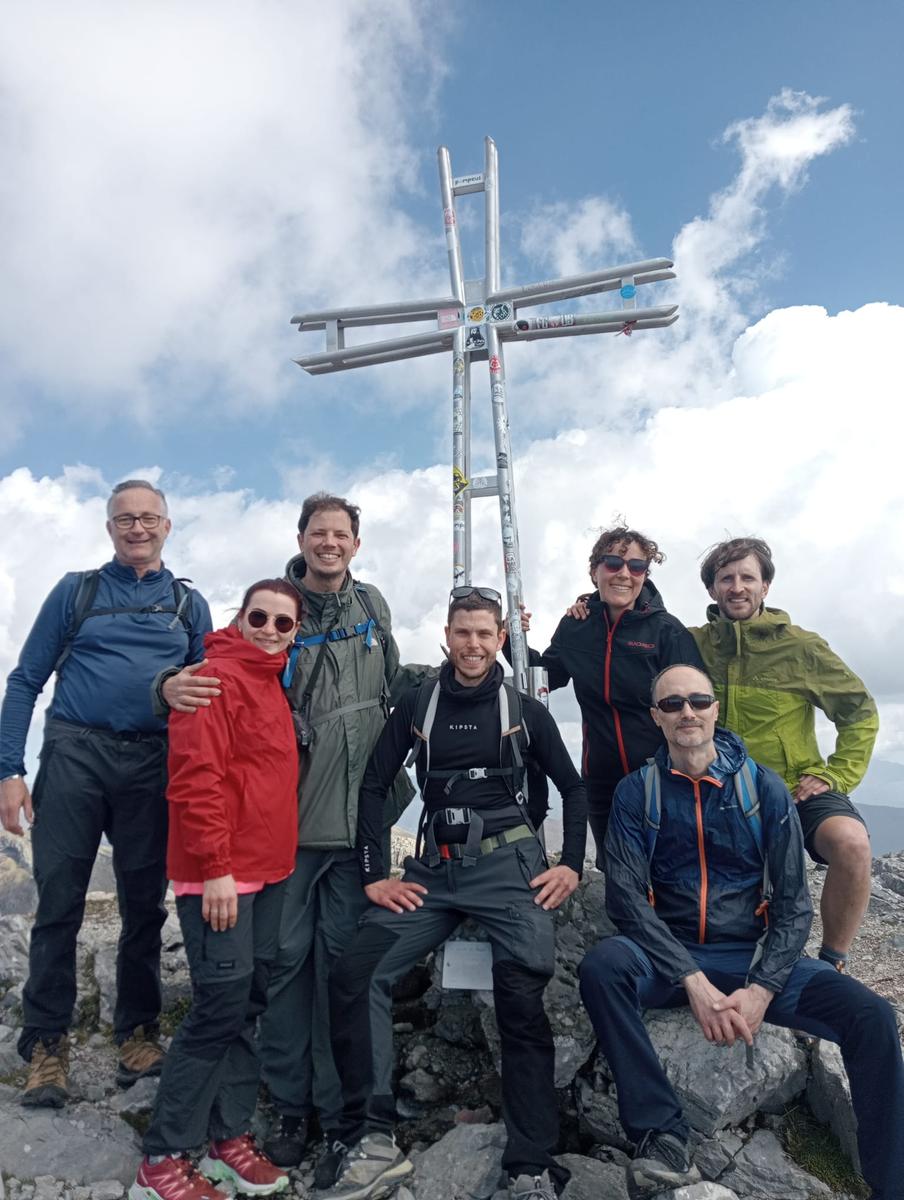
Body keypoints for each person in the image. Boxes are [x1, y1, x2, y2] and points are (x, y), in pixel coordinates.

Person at [158, 492, 434, 1184]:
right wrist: (165, 684)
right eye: (320, 533)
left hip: (358, 829)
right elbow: (220, 673)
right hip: (286, 832)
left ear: (355, 544)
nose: (330, 543)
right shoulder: (278, 613)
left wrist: (469, 661)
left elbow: (390, 684)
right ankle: (287, 1106)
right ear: (303, 538)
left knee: (342, 969)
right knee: (283, 970)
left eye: (341, 534)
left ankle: (342, 1110)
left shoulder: (373, 608)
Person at [579, 664, 903, 1200]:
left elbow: (794, 906)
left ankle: (890, 1184)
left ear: (715, 710)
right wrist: (693, 981)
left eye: (699, 702)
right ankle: (661, 1134)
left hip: (751, 957)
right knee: (604, 968)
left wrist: (761, 990)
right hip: (669, 956)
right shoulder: (639, 793)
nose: (688, 712)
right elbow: (626, 899)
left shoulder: (763, 789)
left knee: (871, 1015)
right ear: (657, 718)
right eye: (674, 704)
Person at [323, 586, 588, 1200]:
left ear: (500, 639)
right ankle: (373, 1138)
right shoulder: (419, 704)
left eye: (484, 634)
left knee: (522, 998)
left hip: (508, 869)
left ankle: (529, 1161)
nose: (472, 645)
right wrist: (373, 874)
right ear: (446, 636)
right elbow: (372, 786)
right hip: (433, 874)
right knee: (357, 973)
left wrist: (571, 863)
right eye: (462, 633)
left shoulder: (525, 708)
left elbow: (573, 790)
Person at [0, 480, 212, 1107]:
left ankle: (138, 1033)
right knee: (59, 902)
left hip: (154, 761)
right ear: (110, 527)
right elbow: (26, 679)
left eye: (149, 518)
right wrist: (9, 769)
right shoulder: (77, 591)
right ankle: (45, 1045)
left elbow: (209, 691)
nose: (137, 528)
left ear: (168, 527)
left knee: (144, 905)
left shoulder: (186, 604)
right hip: (74, 754)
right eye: (125, 519)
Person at [132, 580, 302, 1200]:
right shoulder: (212, 677)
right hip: (223, 876)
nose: (268, 629)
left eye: (283, 623)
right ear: (239, 617)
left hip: (271, 872)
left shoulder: (273, 682)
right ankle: (163, 1157)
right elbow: (194, 780)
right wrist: (217, 869)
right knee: (218, 1009)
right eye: (258, 616)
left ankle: (227, 1139)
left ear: (294, 633)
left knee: (246, 1003)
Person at [690, 537, 877, 972]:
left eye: (747, 577)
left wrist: (836, 775)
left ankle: (832, 963)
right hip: (718, 791)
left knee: (851, 845)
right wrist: (586, 607)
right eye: (726, 579)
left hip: (796, 791)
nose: (737, 587)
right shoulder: (692, 644)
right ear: (713, 590)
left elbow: (860, 712)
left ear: (766, 586)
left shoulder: (802, 648)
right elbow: (635, 634)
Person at [519, 524, 703, 866]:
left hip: (661, 777)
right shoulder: (577, 625)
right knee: (615, 873)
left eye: (636, 567)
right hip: (602, 782)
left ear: (645, 575)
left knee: (670, 873)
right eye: (613, 563)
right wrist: (510, 639)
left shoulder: (667, 631)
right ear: (595, 571)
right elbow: (547, 676)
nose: (624, 574)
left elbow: (698, 706)